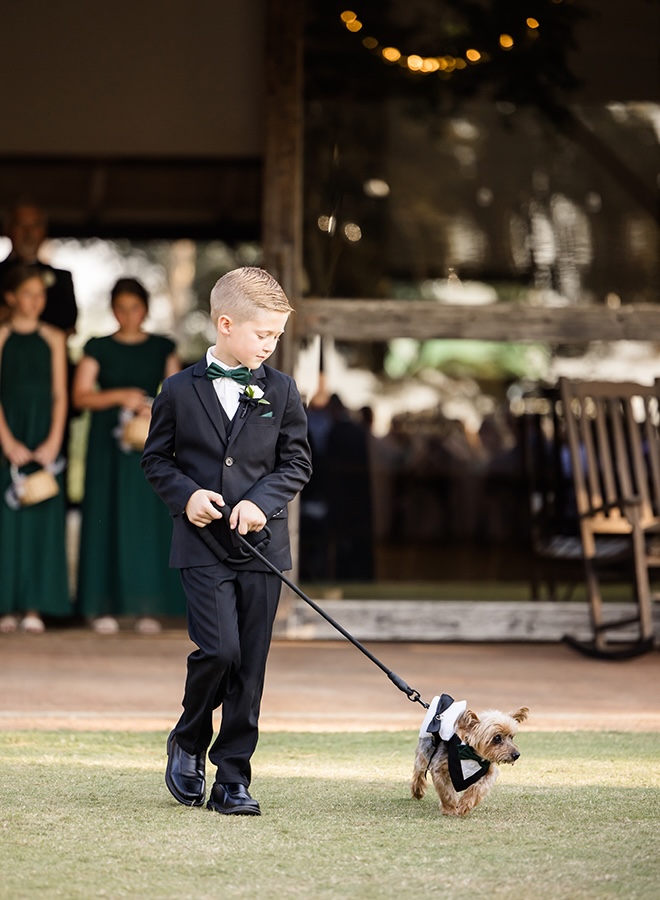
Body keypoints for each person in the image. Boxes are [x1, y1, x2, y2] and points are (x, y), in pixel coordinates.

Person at [142, 266, 312, 816]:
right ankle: (189, 737)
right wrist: (186, 495)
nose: (271, 344)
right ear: (225, 323)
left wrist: (260, 504)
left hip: (262, 550)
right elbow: (156, 460)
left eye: (277, 336)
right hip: (201, 546)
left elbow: (296, 462)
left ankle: (233, 778)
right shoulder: (177, 389)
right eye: (263, 333)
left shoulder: (282, 390)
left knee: (250, 667)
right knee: (220, 650)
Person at [72, 277, 184, 634]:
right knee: (105, 519)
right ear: (113, 310)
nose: (128, 315)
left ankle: (148, 608)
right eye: (121, 308)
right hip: (106, 447)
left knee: (147, 524)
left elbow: (179, 395)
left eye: (134, 307)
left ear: (146, 310)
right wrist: (118, 396)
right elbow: (80, 396)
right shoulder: (98, 347)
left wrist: (152, 410)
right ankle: (101, 607)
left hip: (149, 444)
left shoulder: (163, 346)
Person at [0, 265, 70, 633]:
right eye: (27, 294)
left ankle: (34, 607)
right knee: (6, 521)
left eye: (39, 295)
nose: (35, 302)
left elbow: (61, 394)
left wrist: (53, 440)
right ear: (10, 297)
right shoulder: (0, 335)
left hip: (43, 434)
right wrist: (7, 442)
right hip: (6, 433)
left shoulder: (55, 338)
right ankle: (5, 607)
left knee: (41, 519)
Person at [0, 203, 77, 334]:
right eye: (21, 225)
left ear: (43, 232)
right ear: (8, 230)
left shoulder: (61, 278)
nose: (28, 232)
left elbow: (67, 322)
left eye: (34, 226)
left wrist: (12, 311)